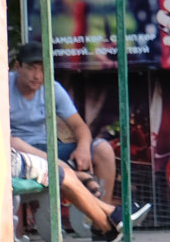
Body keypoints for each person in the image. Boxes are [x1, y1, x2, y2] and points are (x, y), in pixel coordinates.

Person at [8, 41, 116, 204]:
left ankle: (106, 215)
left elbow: (79, 127)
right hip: (18, 155)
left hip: (47, 148)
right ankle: (70, 172)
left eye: (43, 69)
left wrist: (83, 148)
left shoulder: (53, 88)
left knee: (103, 149)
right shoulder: (3, 86)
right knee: (14, 142)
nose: (38, 76)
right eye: (31, 68)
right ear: (18, 66)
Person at [9, 145, 148, 242]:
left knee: (65, 174)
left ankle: (109, 224)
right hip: (8, 162)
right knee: (65, 175)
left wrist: (83, 147)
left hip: (22, 157)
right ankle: (109, 222)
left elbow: (80, 126)